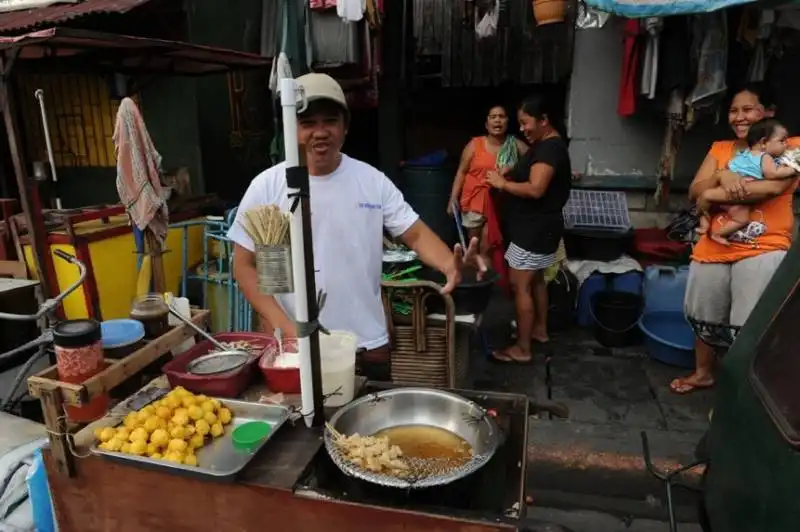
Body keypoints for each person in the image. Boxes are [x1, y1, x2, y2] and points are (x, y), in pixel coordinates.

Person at [228, 73, 484, 380]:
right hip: (292, 347)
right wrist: (283, 324)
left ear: (345, 127)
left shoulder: (371, 182)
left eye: (330, 121)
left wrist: (450, 265)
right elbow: (244, 266)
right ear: (290, 127)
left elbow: (414, 233)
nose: (320, 132)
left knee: (365, 425)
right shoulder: (267, 187)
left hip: (366, 344)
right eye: (308, 122)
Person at [671, 84, 799, 395]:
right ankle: (703, 372)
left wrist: (715, 190)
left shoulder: (789, 144)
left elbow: (772, 189)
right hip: (714, 245)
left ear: (767, 112)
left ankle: (742, 389)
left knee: (750, 323)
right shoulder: (720, 148)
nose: (739, 117)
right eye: (733, 110)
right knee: (704, 315)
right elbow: (693, 190)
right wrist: (719, 176)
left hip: (764, 246)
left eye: (747, 109)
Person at [485, 95, 571, 364]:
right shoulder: (546, 145)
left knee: (519, 284)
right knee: (536, 281)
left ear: (544, 120)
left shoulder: (549, 149)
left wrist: (502, 184)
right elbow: (532, 172)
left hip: (533, 230)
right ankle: (540, 330)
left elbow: (536, 188)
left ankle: (522, 348)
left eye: (526, 123)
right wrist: (513, 168)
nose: (522, 129)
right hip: (541, 228)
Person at [447, 105, 528, 263]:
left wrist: (512, 167)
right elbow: (461, 173)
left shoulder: (514, 144)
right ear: (486, 124)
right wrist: (452, 199)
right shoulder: (474, 145)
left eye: (501, 116)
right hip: (474, 202)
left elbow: (537, 160)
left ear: (507, 122)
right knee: (473, 246)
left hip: (500, 203)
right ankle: (475, 279)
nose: (497, 120)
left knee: (488, 245)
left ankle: (487, 282)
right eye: (493, 117)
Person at [696, 118, 796, 246]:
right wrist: (792, 169)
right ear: (764, 142)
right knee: (742, 219)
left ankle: (704, 223)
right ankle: (718, 234)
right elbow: (773, 174)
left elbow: (728, 166)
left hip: (725, 191)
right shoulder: (765, 157)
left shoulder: (743, 154)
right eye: (782, 141)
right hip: (738, 192)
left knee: (708, 209)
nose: (786, 144)